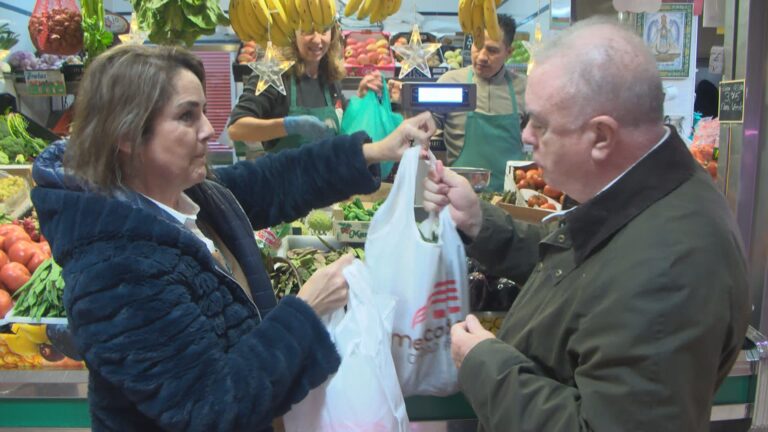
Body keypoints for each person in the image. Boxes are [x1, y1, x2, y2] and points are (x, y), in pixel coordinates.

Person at [30, 44, 436, 431]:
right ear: (127, 134)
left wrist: (376, 151)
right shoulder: (116, 271)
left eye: (204, 111)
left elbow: (274, 182)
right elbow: (212, 409)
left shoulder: (189, 199)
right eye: (187, 116)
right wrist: (305, 312)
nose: (209, 129)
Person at [423, 17, 749, 431]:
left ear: (601, 137)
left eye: (540, 124)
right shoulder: (640, 195)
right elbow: (584, 267)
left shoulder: (668, 271)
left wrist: (485, 364)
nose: (525, 136)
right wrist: (477, 221)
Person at [228, 23, 383, 153]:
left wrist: (362, 99)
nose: (317, 40)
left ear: (333, 33)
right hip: (285, 185)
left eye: (323, 30)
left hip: (327, 184)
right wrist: (290, 125)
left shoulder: (329, 77)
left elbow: (345, 124)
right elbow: (236, 129)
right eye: (307, 30)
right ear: (292, 33)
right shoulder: (274, 75)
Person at [432, 14, 526, 192]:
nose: (482, 56)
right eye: (478, 45)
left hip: (511, 199)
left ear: (509, 52)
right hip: (460, 196)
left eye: (492, 50)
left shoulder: (524, 88)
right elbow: (424, 123)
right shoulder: (451, 82)